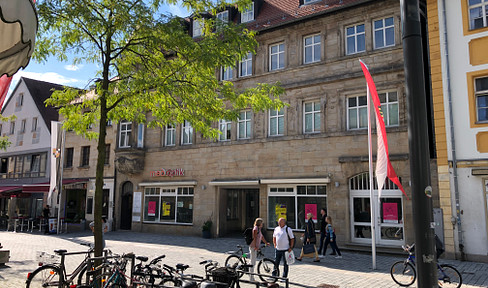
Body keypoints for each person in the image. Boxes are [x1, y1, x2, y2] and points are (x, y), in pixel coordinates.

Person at [272, 218, 294, 282]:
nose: (279, 223)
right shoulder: (276, 229)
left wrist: (291, 247)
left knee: (285, 263)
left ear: (284, 222)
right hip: (278, 249)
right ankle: (274, 275)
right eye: (278, 222)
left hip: (286, 249)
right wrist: (274, 244)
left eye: (280, 222)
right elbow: (274, 237)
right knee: (276, 262)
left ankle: (284, 277)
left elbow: (292, 239)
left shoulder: (288, 229)